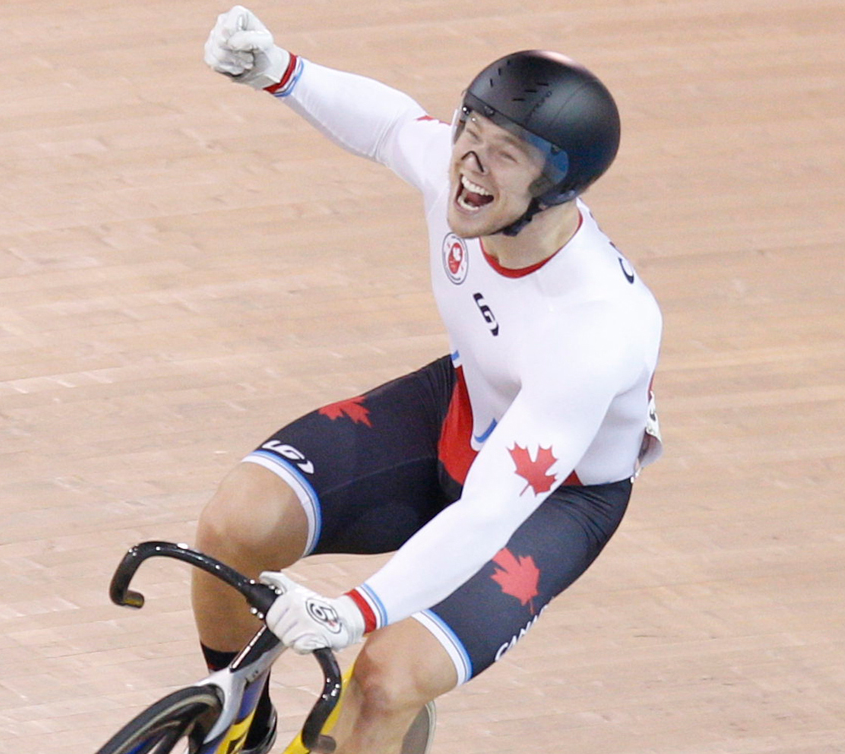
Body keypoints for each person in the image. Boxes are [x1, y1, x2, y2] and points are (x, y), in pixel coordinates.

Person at [194, 7, 663, 754]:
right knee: (234, 524)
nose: (470, 164)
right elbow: (390, 127)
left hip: (551, 501)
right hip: (461, 407)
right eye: (469, 134)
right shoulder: (465, 185)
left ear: (557, 188)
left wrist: (354, 612)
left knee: (384, 680)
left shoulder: (596, 328)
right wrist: (281, 71)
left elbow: (486, 515)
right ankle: (236, 724)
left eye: (503, 154)